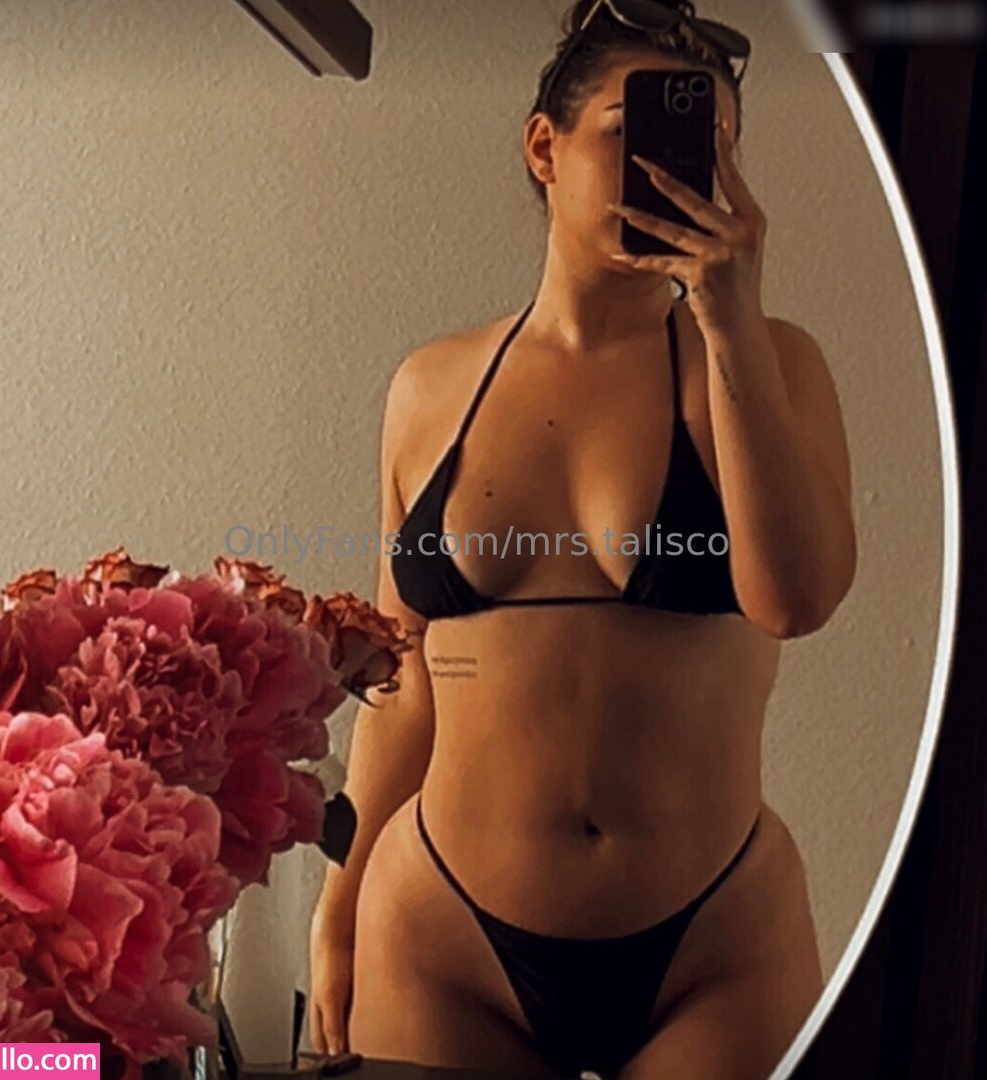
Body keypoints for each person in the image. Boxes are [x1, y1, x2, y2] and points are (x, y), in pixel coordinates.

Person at [309, 1, 856, 1076]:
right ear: (542, 148)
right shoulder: (429, 387)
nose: (671, 167)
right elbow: (401, 678)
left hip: (714, 945)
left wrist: (729, 317)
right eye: (626, 131)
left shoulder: (772, 364)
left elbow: (793, 600)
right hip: (440, 936)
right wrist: (337, 906)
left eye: (710, 144)